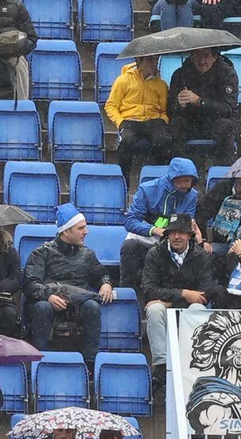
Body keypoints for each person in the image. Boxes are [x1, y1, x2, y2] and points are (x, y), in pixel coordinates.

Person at [26, 204, 115, 361]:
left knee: (92, 307)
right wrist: (49, 296)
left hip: (78, 305)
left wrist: (106, 283)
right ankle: (38, 361)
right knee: (42, 307)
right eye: (80, 228)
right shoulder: (42, 253)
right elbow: (30, 283)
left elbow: (102, 274)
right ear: (66, 231)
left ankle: (90, 363)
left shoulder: (87, 255)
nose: (86, 232)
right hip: (50, 303)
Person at [142, 213, 216, 375]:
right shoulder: (154, 254)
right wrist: (183, 294)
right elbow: (149, 289)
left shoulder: (201, 256)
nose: (176, 237)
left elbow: (205, 293)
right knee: (154, 310)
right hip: (165, 306)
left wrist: (171, 301)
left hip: (184, 306)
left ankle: (192, 362)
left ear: (190, 235)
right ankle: (161, 367)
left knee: (198, 308)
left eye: (181, 232)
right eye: (172, 232)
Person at [120, 156, 199, 288]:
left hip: (172, 239)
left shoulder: (192, 196)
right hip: (146, 236)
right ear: (174, 178)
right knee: (129, 247)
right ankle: (129, 290)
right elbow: (130, 221)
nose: (188, 185)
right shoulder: (147, 189)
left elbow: (186, 223)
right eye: (185, 181)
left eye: (190, 181)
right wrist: (154, 230)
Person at [166, 47, 240, 165]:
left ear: (215, 57)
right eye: (197, 56)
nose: (202, 61)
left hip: (219, 120)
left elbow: (227, 109)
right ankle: (181, 167)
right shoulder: (180, 75)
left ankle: (224, 169)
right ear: (191, 56)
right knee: (175, 125)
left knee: (224, 126)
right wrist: (179, 104)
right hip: (192, 121)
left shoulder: (227, 74)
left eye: (206, 56)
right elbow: (170, 110)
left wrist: (199, 101)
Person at [105, 52, 172, 180]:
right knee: (126, 142)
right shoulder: (123, 80)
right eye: (149, 60)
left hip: (154, 121)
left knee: (164, 141)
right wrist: (120, 122)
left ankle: (161, 179)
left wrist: (163, 120)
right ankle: (124, 180)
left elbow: (163, 110)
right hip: (130, 120)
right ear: (139, 61)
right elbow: (111, 105)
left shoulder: (161, 84)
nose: (153, 64)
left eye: (155, 60)